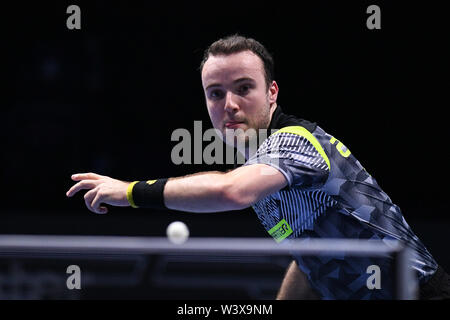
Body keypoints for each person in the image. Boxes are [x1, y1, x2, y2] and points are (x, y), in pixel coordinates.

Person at [66, 34, 449, 300]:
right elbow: (309, 255)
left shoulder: (296, 141)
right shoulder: (262, 171)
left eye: (244, 88)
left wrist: (130, 192)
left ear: (271, 93)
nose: (229, 104)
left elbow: (229, 190)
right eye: (215, 93)